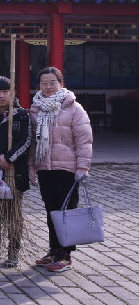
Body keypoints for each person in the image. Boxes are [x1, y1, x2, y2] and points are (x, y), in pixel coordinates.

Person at [29, 66, 92, 273]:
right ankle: (54, 249)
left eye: (52, 83)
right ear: (39, 86)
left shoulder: (74, 108)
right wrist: (31, 166)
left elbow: (84, 140)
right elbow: (33, 142)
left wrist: (82, 167)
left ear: (61, 84)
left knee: (66, 212)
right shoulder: (36, 108)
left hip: (67, 169)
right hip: (45, 168)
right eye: (44, 83)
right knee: (51, 211)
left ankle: (65, 255)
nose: (48, 87)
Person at [0, 76, 31, 266]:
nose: (1, 96)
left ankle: (13, 251)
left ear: (13, 93)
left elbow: (26, 141)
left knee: (13, 216)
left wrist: (9, 158)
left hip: (14, 173)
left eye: (5, 92)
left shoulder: (21, 115)